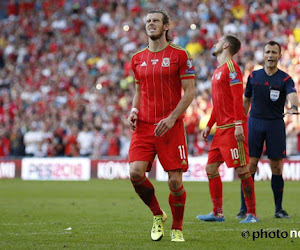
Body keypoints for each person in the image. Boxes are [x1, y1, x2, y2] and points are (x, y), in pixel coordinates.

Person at [127, 10, 195, 242]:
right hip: (144, 126)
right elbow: (139, 92)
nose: (151, 24)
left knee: (175, 181)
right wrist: (134, 111)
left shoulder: (180, 55)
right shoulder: (137, 58)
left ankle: (177, 228)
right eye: (148, 21)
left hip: (171, 126)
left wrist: (172, 117)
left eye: (155, 20)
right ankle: (158, 215)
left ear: (166, 26)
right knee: (135, 173)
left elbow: (189, 92)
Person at [196, 35, 258, 223]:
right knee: (210, 168)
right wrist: (209, 125)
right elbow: (219, 104)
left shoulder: (231, 68)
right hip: (221, 129)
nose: (214, 44)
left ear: (226, 45)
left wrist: (239, 124)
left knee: (241, 170)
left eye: (218, 41)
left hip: (233, 127)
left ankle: (252, 214)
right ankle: (217, 213)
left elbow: (237, 98)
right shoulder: (218, 70)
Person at [236, 41, 299, 219]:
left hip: (275, 124)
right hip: (254, 123)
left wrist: (294, 106)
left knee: (277, 167)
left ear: (279, 56)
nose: (270, 55)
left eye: (274, 52)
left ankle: (278, 209)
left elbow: (292, 94)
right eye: (267, 52)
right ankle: (244, 209)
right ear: (263, 55)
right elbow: (246, 100)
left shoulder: (285, 79)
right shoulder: (254, 77)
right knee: (250, 166)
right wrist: (242, 119)